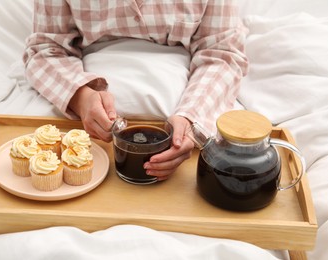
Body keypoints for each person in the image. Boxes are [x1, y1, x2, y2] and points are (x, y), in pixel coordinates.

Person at [23, 0, 248, 181]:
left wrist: (192, 119)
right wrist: (81, 97)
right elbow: (46, 48)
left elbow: (222, 54)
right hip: (83, 126)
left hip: (188, 121)